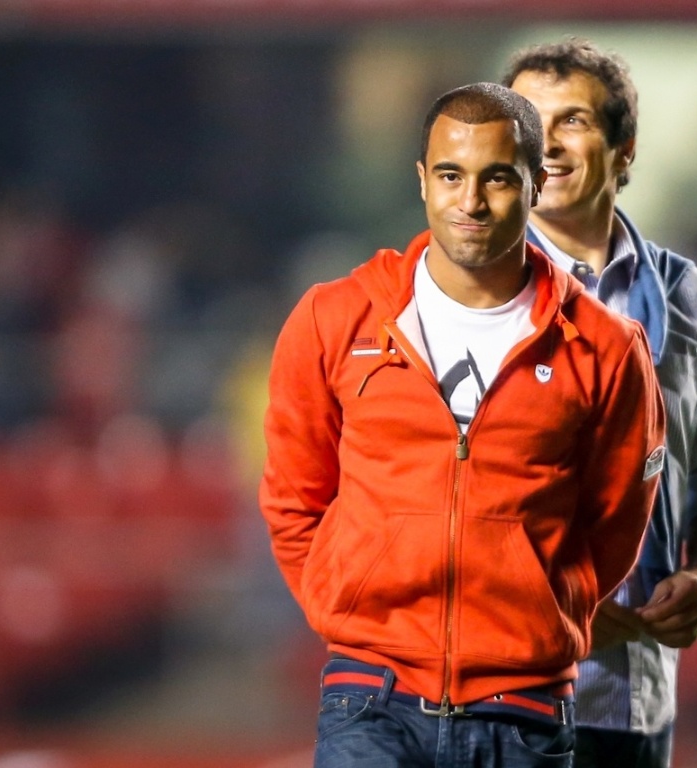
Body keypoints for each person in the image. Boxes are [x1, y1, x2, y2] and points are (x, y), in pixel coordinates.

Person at [259, 81, 667, 768]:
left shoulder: (607, 348)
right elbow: (293, 500)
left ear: (538, 184)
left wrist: (534, 608)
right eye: (450, 175)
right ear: (422, 181)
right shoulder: (334, 320)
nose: (470, 201)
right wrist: (355, 608)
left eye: (497, 178)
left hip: (526, 708)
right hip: (369, 697)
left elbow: (616, 525)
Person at [502, 39, 697, 768]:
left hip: (632, 708)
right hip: (489, 704)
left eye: (573, 121)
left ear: (625, 150)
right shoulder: (455, 296)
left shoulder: (687, 301)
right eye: (527, 121)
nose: (546, 143)